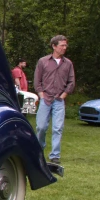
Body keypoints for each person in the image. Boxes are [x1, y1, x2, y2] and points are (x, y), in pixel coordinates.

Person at [34, 35, 75, 164]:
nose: (65, 47)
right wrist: (41, 95)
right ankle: (38, 151)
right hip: (45, 99)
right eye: (62, 45)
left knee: (58, 128)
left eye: (65, 45)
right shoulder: (43, 61)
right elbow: (37, 80)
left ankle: (55, 156)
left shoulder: (68, 63)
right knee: (41, 127)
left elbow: (71, 82)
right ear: (54, 46)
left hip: (59, 100)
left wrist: (63, 95)